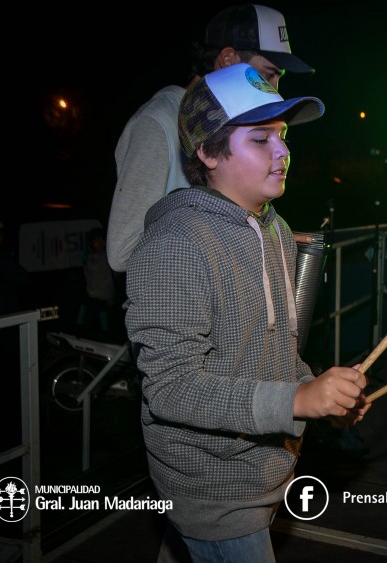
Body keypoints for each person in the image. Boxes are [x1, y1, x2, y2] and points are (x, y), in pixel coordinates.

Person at [124, 63, 369, 562]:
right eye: (260, 139)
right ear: (209, 152)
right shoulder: (176, 243)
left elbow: (271, 349)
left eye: (281, 136)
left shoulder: (275, 230)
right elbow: (169, 388)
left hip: (263, 473)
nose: (283, 152)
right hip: (213, 488)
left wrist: (320, 393)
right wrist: (296, 402)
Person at [107, 4, 314, 272]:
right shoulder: (157, 122)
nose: (273, 91)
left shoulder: (238, 127)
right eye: (266, 75)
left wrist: (268, 240)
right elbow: (122, 252)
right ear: (227, 59)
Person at [76, 227, 117, 339]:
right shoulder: (88, 257)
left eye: (99, 240)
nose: (97, 243)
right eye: (94, 240)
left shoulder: (108, 257)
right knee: (83, 310)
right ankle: (80, 334)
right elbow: (87, 274)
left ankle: (106, 335)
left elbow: (116, 272)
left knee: (103, 313)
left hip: (105, 297)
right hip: (92, 295)